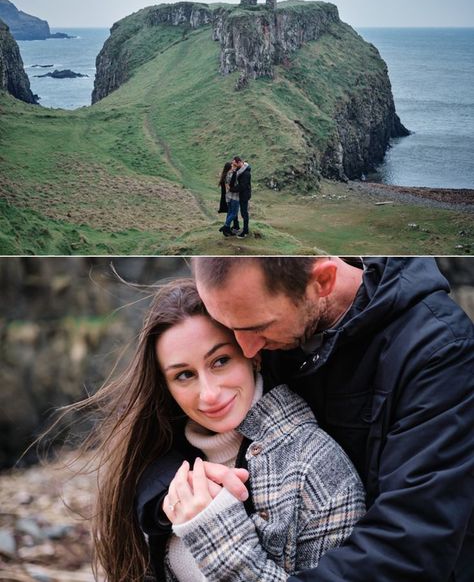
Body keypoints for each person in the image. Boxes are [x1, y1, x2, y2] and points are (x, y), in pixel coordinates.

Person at [137, 257, 474, 582]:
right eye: (229, 328)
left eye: (257, 328)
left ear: (322, 281)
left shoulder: (440, 351)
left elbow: (411, 544)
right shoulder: (263, 311)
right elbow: (170, 424)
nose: (248, 350)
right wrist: (175, 488)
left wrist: (221, 543)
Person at [77, 278, 366, 581]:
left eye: (220, 361)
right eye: (184, 375)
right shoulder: (159, 464)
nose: (209, 394)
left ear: (252, 353)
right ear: (166, 387)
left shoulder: (315, 467)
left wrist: (214, 532)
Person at [218, 159, 241, 236]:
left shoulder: (226, 175)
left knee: (230, 212)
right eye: (232, 166)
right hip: (234, 197)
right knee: (234, 213)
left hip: (228, 197)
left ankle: (226, 229)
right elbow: (235, 183)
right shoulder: (231, 175)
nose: (233, 167)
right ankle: (226, 226)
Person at [232, 155, 251, 238]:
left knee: (244, 213)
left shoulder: (246, 173)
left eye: (235, 164)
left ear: (239, 162)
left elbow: (243, 186)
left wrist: (232, 189)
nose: (234, 166)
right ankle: (236, 226)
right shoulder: (239, 170)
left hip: (244, 195)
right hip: (238, 194)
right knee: (234, 211)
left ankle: (245, 231)